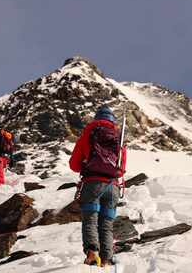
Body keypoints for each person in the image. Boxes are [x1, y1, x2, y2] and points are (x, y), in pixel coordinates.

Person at [69, 105, 127, 267]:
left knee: (90, 219)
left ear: (96, 118)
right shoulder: (118, 137)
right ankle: (107, 259)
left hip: (93, 184)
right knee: (106, 224)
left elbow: (74, 164)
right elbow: (121, 169)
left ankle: (92, 253)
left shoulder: (88, 133)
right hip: (113, 187)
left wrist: (88, 166)